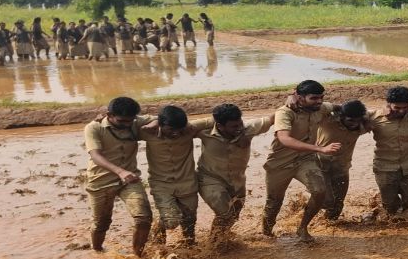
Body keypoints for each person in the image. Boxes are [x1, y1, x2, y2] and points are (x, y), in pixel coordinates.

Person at [261, 80, 343, 241]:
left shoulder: (321, 108)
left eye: (321, 97)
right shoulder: (285, 112)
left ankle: (303, 228)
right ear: (299, 97)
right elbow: (284, 139)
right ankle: (267, 234)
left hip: (305, 160)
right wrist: (321, 149)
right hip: (280, 163)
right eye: (314, 98)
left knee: (320, 191)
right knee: (274, 202)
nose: (319, 101)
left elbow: (339, 107)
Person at [84, 97, 153, 257]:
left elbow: (163, 117)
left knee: (143, 218)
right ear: (109, 114)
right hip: (101, 181)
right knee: (102, 223)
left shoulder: (135, 121)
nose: (127, 124)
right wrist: (120, 171)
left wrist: (154, 123)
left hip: (129, 181)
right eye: (122, 121)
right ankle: (97, 252)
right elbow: (95, 155)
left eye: (131, 120)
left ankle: (138, 256)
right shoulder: (93, 128)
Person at [197, 103, 273, 237]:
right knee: (225, 213)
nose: (239, 128)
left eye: (240, 124)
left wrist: (292, 99)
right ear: (220, 126)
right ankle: (215, 245)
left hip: (237, 181)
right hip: (210, 179)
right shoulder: (204, 131)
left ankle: (218, 240)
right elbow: (180, 127)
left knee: (233, 215)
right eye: (234, 126)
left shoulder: (249, 128)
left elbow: (273, 119)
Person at [140, 105, 209, 246]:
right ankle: (158, 241)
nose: (176, 133)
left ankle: (189, 245)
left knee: (189, 218)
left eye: (180, 129)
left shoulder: (189, 130)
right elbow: (127, 120)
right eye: (171, 129)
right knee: (171, 221)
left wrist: (188, 126)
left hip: (187, 183)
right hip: (161, 184)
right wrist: (154, 120)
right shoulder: (147, 132)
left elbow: (214, 119)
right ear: (161, 124)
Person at [367, 86, 408, 217]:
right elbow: (350, 118)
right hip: (385, 167)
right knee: (390, 207)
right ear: (389, 104)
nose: (401, 111)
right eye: (397, 108)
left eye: (405, 107)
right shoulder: (374, 118)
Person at [314, 100, 372, 220]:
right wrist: (336, 106)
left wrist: (364, 119)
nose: (354, 124)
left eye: (358, 121)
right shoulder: (327, 121)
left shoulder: (361, 126)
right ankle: (309, 208)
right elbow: (317, 107)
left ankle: (330, 225)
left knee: (338, 203)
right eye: (350, 120)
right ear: (341, 116)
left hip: (341, 168)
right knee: (328, 200)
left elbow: (379, 113)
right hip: (320, 165)